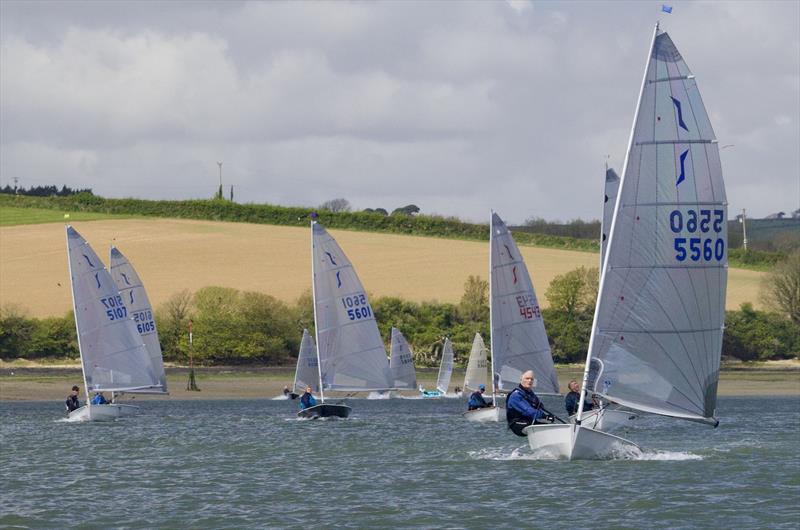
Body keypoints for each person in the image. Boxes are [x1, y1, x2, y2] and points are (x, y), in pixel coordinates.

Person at [506, 370, 554, 437]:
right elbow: (529, 411)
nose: (529, 381)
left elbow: (540, 407)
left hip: (529, 422)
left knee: (551, 427)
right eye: (527, 378)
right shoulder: (515, 396)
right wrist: (544, 416)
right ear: (521, 379)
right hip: (517, 424)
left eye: (531, 379)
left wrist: (549, 415)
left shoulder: (530, 394)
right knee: (539, 428)